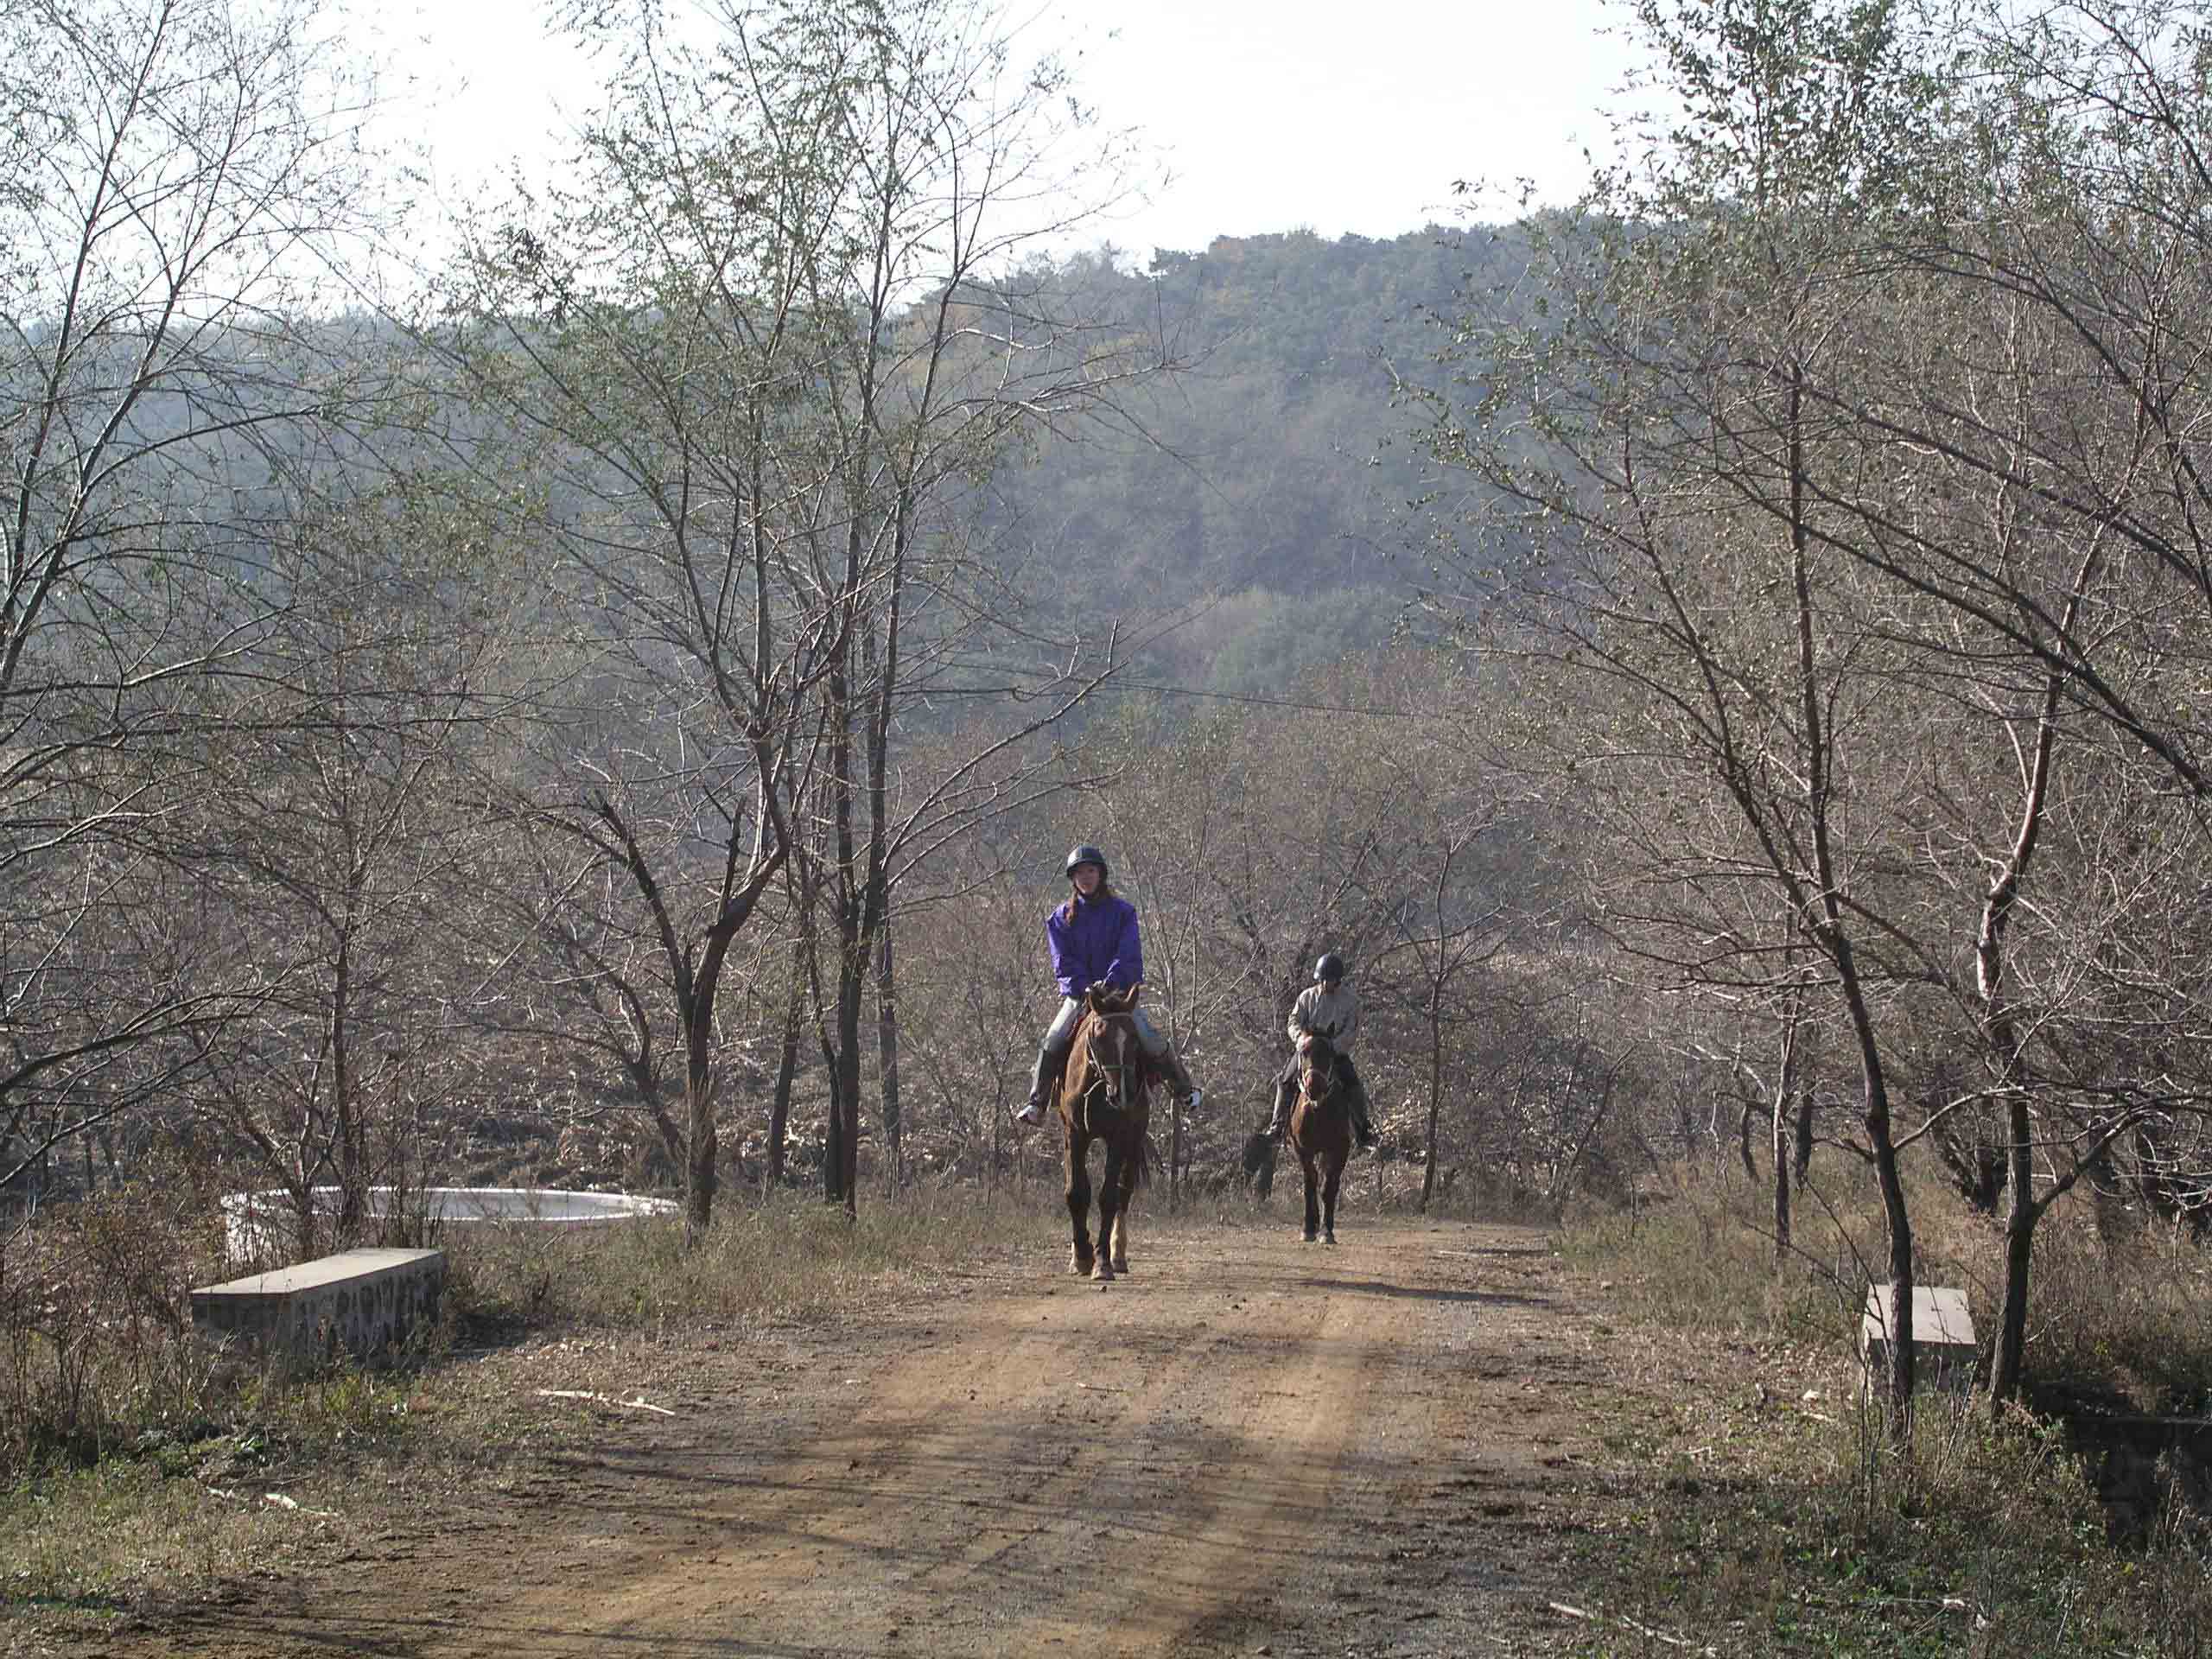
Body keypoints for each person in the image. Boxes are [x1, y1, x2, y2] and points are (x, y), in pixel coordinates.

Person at [1014, 845, 1200, 1126]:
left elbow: (1128, 952)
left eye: (1091, 871)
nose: (1086, 877)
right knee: (1052, 1040)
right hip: (1080, 996)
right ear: (1073, 879)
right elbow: (1062, 961)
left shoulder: (1123, 912)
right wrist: (1086, 988)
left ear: (1101, 874)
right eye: (1080, 873)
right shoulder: (1060, 918)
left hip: (1118, 996)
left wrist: (1110, 982)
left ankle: (1184, 1090)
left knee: (1149, 1037)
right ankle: (1037, 1103)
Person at [1264, 952, 1376, 1150]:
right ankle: (1278, 1126)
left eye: (1330, 980)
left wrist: (1333, 1046)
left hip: (1334, 1052)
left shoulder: (1351, 1002)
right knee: (1284, 1080)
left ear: (1338, 980)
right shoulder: (1307, 997)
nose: (1326, 984)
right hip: (1308, 1051)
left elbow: (1352, 1031)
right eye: (1323, 980)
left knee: (1353, 1084)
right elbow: (1293, 1021)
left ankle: (1363, 1131)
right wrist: (1301, 1039)